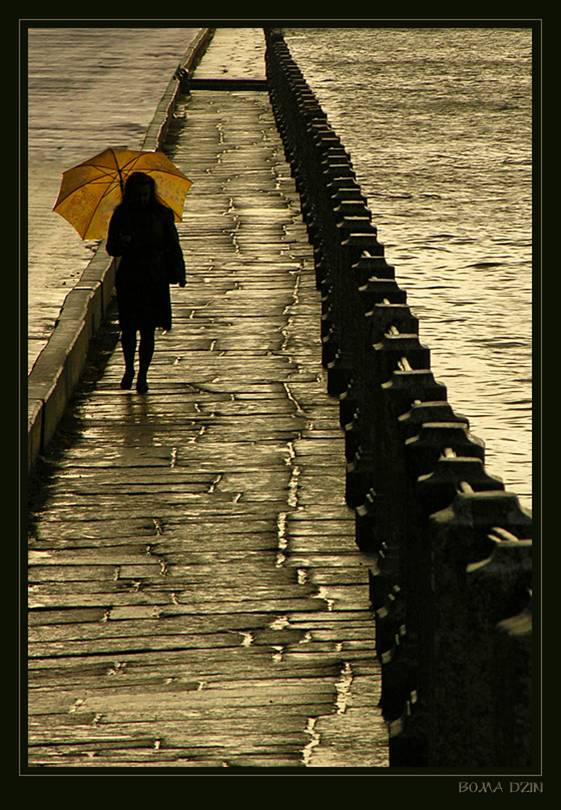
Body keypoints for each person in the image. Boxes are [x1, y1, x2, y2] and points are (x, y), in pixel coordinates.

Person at [106, 171, 186, 393]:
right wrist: (123, 243)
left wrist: (179, 273)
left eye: (145, 195)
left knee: (148, 330)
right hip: (130, 278)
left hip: (154, 278)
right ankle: (129, 368)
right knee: (128, 329)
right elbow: (111, 248)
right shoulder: (121, 215)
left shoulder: (162, 215)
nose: (142, 199)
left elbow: (173, 245)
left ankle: (143, 375)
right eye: (138, 195)